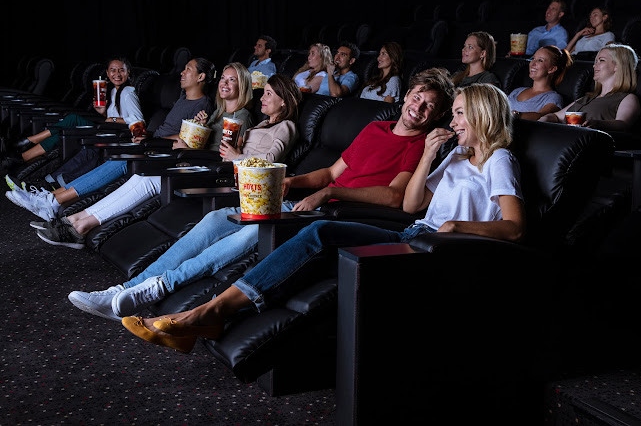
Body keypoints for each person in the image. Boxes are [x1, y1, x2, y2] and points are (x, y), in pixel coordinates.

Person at [118, 83, 525, 354]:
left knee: (320, 229)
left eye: (457, 115)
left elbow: (515, 227)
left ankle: (205, 314)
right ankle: (210, 312)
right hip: (414, 230)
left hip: (439, 248)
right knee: (317, 232)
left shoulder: (499, 160)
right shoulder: (454, 155)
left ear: (482, 116)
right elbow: (413, 205)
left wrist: (456, 228)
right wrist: (428, 157)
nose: (451, 124)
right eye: (451, 115)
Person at [67, 67, 456, 322]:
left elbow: (394, 197)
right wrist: (293, 182)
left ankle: (155, 289)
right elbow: (331, 171)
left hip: (339, 215)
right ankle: (128, 288)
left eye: (429, 106)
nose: (418, 108)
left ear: (437, 115)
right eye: (416, 97)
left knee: (248, 233)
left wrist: (326, 194)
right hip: (309, 200)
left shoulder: (420, 147)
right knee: (217, 218)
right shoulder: (374, 130)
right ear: (405, 96)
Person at [15, 58, 217, 243]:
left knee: (121, 159)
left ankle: (55, 201)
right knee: (105, 152)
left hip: (162, 149)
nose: (182, 72)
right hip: (152, 142)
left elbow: (187, 139)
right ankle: (53, 199)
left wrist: (153, 139)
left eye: (188, 69)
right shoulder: (182, 98)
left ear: (201, 77)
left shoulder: (202, 105)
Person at [2, 57, 144, 170]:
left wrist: (112, 120)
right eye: (113, 70)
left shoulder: (128, 92)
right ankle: (23, 156)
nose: (117, 74)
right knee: (63, 129)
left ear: (128, 72)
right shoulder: (114, 91)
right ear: (107, 73)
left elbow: (137, 121)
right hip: (108, 131)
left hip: (114, 137)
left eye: (121, 70)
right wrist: (102, 112)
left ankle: (29, 141)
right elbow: (115, 118)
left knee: (72, 119)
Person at [539, 44, 640, 132]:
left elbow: (623, 124)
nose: (594, 66)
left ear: (618, 65)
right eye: (595, 61)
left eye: (601, 60)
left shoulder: (627, 98)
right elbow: (555, 116)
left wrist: (598, 124)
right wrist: (544, 119)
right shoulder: (586, 98)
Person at [508, 45, 573, 121]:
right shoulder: (517, 91)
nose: (532, 64)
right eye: (533, 59)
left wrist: (514, 115)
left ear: (551, 69)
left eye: (540, 60)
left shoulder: (552, 97)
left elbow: (542, 116)